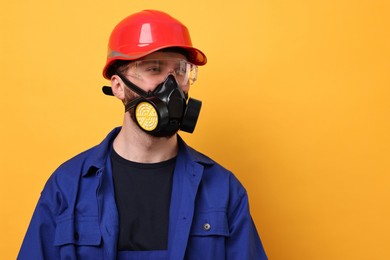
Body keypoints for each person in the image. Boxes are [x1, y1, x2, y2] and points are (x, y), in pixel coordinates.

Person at [18, 10, 267, 260]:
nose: (171, 85)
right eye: (153, 68)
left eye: (180, 70)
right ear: (118, 86)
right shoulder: (67, 186)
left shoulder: (223, 189)